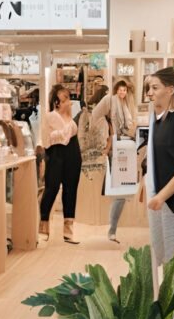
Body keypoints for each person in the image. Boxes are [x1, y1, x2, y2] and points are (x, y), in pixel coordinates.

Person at [145, 67, 174, 268]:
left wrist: (162, 195)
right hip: (159, 199)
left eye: (155, 87)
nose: (150, 92)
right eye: (149, 88)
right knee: (163, 257)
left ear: (171, 90)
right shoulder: (158, 119)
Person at [92, 80, 135, 243]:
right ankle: (112, 230)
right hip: (114, 149)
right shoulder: (109, 101)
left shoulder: (125, 105)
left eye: (125, 90)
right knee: (119, 192)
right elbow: (96, 116)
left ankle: (112, 229)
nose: (122, 93)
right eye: (121, 90)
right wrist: (108, 135)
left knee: (121, 192)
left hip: (124, 146)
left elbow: (129, 124)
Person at [39, 84, 82, 244]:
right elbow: (57, 138)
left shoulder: (71, 118)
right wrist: (69, 123)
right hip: (56, 155)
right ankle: (43, 225)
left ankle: (68, 230)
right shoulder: (51, 116)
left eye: (68, 99)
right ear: (57, 102)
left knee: (71, 191)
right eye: (65, 100)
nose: (68, 102)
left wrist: (70, 120)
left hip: (73, 155)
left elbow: (69, 136)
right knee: (52, 188)